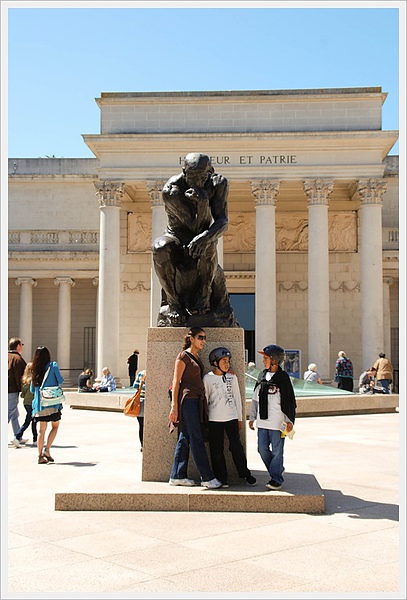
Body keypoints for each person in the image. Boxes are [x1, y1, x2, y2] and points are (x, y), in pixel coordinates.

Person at [152, 152, 237, 327]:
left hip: (202, 237)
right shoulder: (172, 190)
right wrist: (203, 203)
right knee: (159, 247)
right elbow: (193, 226)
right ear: (184, 171)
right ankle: (173, 302)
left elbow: (222, 221)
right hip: (177, 237)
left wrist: (206, 235)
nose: (195, 182)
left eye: (200, 177)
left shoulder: (219, 183)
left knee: (208, 242)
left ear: (210, 172)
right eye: (190, 176)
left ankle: (204, 294)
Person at [168, 327, 222, 489]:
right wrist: (174, 407)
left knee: (185, 437)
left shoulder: (196, 356)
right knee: (197, 438)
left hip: (195, 400)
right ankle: (207, 477)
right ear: (191, 338)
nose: (203, 341)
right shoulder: (183, 356)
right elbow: (176, 382)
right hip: (187, 400)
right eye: (200, 337)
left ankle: (177, 475)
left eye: (204, 338)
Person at [203, 347, 256, 488]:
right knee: (216, 450)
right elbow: (206, 400)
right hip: (214, 420)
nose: (227, 364)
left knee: (236, 447)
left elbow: (238, 398)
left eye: (228, 361)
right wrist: (205, 420)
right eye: (224, 361)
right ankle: (221, 478)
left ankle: (245, 473)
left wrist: (240, 418)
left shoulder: (232, 377)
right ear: (215, 363)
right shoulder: (207, 378)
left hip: (231, 418)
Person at [249, 344, 296, 491]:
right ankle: (276, 469)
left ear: (274, 360)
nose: (263, 361)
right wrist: (252, 417)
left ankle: (276, 479)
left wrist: (289, 421)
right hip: (262, 422)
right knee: (262, 449)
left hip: (278, 423)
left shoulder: (283, 378)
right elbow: (255, 398)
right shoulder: (262, 375)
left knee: (277, 451)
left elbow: (289, 401)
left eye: (265, 358)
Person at [31, 346, 64, 464]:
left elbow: (31, 389)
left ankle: (39, 455)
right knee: (55, 427)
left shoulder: (34, 369)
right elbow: (61, 380)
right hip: (53, 403)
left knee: (41, 431)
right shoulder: (53, 365)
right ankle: (47, 450)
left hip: (40, 404)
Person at [8, 337, 27, 447]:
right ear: (18, 346)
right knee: (9, 413)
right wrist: (23, 390)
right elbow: (20, 376)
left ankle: (18, 435)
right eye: (22, 345)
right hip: (12, 390)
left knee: (14, 414)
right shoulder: (17, 359)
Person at [15, 362, 38, 446]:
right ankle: (18, 437)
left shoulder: (24, 380)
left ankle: (35, 439)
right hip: (33, 403)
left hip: (26, 403)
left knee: (31, 421)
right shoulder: (33, 380)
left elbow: (23, 394)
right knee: (30, 421)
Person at [132, 369, 146, 451]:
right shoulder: (154, 373)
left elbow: (135, 386)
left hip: (140, 401)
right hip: (150, 401)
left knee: (141, 425)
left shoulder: (141, 373)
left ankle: (142, 445)